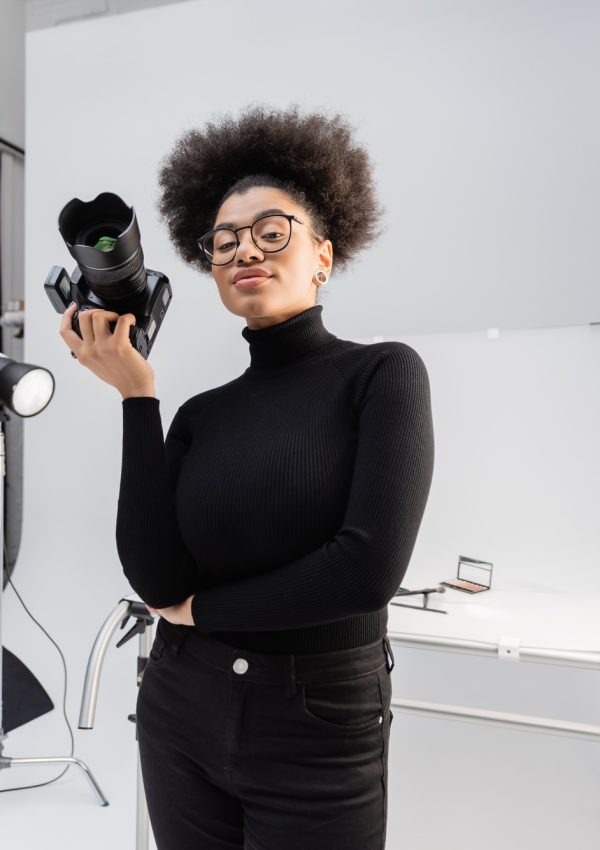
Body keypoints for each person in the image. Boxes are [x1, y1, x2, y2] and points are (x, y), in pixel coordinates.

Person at [59, 103, 435, 850]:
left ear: (323, 255)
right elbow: (159, 581)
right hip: (180, 706)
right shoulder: (200, 413)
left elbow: (365, 572)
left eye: (272, 232)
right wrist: (138, 397)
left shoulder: (383, 373)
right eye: (223, 242)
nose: (244, 252)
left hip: (317, 719)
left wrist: (204, 613)